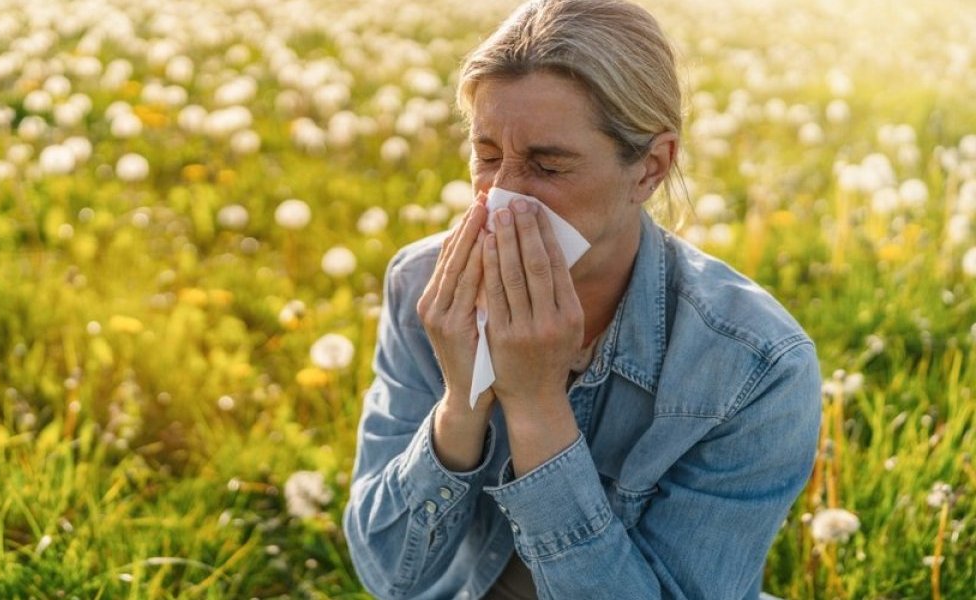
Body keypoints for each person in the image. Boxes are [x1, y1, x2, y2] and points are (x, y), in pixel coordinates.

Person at [342, 0, 822, 598]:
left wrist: (538, 405)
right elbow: (392, 575)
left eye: (548, 165)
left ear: (649, 168)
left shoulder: (753, 368)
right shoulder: (425, 287)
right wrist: (461, 407)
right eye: (487, 156)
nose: (504, 193)